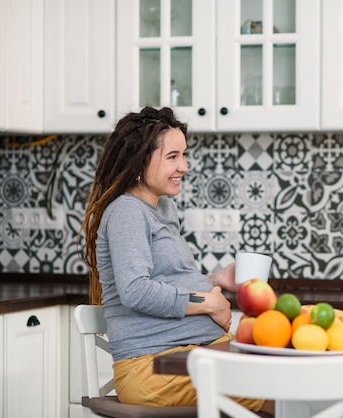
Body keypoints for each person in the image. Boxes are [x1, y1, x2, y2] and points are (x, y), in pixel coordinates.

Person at [80, 106, 269, 412]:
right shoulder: (126, 213)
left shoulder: (163, 208)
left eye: (184, 155)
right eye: (173, 157)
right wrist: (208, 302)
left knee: (277, 365)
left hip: (187, 354)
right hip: (151, 367)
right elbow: (136, 290)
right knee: (271, 387)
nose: (185, 166)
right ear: (140, 161)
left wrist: (216, 279)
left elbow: (165, 280)